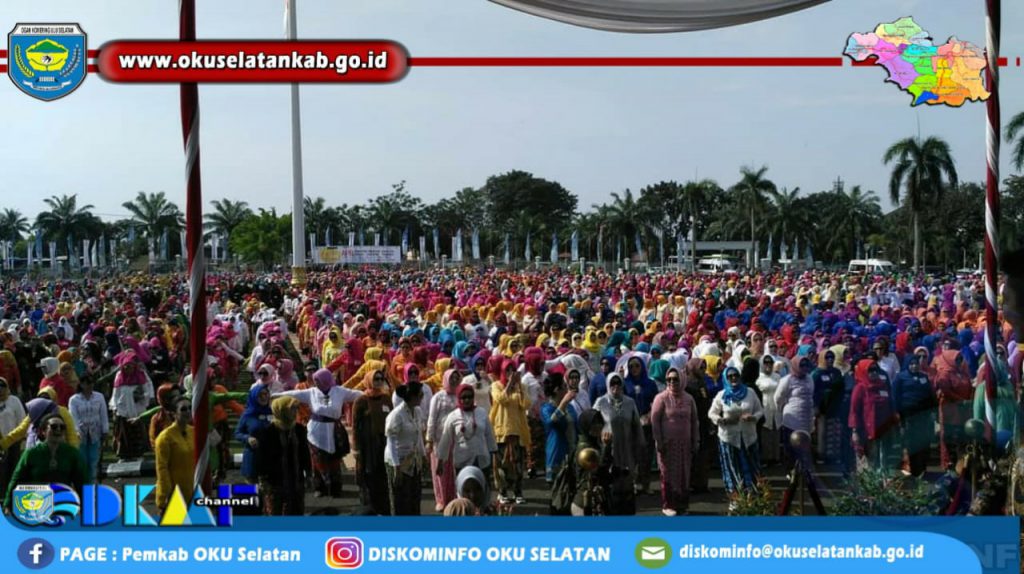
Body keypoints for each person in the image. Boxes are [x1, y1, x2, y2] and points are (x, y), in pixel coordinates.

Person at [275, 368, 362, 498]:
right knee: (317, 458)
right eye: (315, 380)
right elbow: (293, 394)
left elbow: (357, 394)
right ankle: (319, 487)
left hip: (334, 430)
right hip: (316, 431)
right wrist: (274, 395)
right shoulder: (312, 392)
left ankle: (335, 487)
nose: (316, 383)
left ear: (325, 380)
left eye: (318, 380)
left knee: (334, 459)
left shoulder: (339, 391)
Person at [4, 413, 88, 510]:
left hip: (62, 505)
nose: (58, 429)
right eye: (54, 426)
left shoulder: (72, 454)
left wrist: (87, 507)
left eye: (62, 427)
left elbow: (83, 482)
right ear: (43, 431)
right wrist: (8, 504)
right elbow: (16, 480)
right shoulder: (31, 453)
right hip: (36, 506)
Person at [708, 366, 763, 498]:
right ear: (725, 379)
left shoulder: (750, 392)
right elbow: (712, 413)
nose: (733, 378)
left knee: (751, 466)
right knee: (732, 468)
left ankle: (752, 495)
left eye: (736, 375)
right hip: (729, 438)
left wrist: (753, 417)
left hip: (748, 437)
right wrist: (722, 420)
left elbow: (760, 410)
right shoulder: (722, 395)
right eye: (730, 376)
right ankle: (736, 498)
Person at [650, 368, 699, 516]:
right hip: (667, 444)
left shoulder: (689, 399)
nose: (672, 382)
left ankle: (682, 505)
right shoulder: (661, 398)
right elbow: (655, 421)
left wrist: (695, 440)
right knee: (668, 474)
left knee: (684, 474)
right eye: (669, 379)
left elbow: (694, 421)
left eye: (675, 379)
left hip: (684, 445)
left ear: (682, 380)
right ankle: (668, 505)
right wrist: (659, 441)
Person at [592, 373, 642, 515]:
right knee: (610, 486)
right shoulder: (601, 402)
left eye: (618, 383)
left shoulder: (630, 402)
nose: (615, 386)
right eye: (612, 383)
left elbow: (637, 426)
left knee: (626, 486)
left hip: (626, 450)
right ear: (608, 385)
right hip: (608, 450)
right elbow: (592, 423)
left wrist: (640, 448)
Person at [436, 383, 498, 495]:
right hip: (462, 460)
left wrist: (495, 458)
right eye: (463, 397)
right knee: (464, 491)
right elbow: (445, 440)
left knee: (481, 490)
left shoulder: (481, 412)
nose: (467, 400)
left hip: (481, 459)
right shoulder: (453, 416)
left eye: (470, 397)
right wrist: (440, 462)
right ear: (458, 398)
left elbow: (490, 436)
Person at [253, 396, 310, 515]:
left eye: (296, 409)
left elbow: (304, 453)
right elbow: (261, 459)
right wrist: (263, 480)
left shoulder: (299, 429)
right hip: (275, 482)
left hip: (296, 481)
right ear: (282, 411)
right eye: (292, 409)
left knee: (296, 513)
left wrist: (308, 473)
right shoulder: (267, 432)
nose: (295, 412)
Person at [490, 359, 531, 505]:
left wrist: (518, 386)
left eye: (512, 370)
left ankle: (518, 491)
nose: (510, 373)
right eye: (507, 370)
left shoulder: (521, 387)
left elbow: (526, 404)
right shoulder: (496, 385)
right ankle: (502, 492)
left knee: (517, 464)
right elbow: (501, 399)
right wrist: (509, 385)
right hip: (502, 431)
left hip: (517, 430)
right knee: (502, 464)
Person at [352, 369, 393, 515]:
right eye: (376, 379)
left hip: (385, 442)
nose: (379, 381)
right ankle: (371, 510)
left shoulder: (386, 398)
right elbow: (355, 426)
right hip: (368, 445)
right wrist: (356, 448)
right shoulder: (361, 400)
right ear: (369, 380)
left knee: (384, 477)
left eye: (381, 379)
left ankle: (384, 509)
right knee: (370, 477)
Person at [849, 360, 900, 472]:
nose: (874, 373)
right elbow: (854, 411)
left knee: (884, 461)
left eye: (876, 370)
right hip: (867, 432)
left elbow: (890, 405)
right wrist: (855, 432)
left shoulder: (882, 385)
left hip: (884, 431)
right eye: (870, 370)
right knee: (869, 464)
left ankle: (882, 481)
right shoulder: (860, 388)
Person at [384, 380, 426, 515]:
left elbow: (418, 435)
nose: (422, 397)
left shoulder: (418, 411)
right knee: (400, 499)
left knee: (414, 496)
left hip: (413, 461)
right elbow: (391, 442)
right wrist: (396, 467)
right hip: (398, 461)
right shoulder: (396, 415)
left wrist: (423, 455)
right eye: (420, 395)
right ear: (412, 397)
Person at [892, 354, 937, 476]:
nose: (914, 366)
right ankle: (911, 470)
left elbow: (930, 395)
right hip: (908, 417)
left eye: (916, 363)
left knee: (923, 444)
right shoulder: (901, 378)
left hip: (923, 417)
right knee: (910, 444)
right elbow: (895, 398)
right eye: (911, 364)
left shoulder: (923, 377)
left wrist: (933, 412)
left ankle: (922, 470)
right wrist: (898, 416)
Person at [621, 356, 658, 495]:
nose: (634, 369)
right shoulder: (625, 383)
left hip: (646, 423)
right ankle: (634, 483)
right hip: (630, 424)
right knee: (632, 455)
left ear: (642, 366)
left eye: (637, 365)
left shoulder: (650, 383)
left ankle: (645, 484)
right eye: (631, 366)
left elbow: (656, 401)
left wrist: (649, 414)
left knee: (646, 454)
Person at [932, 348, 973, 469]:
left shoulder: (963, 372)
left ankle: (961, 464)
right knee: (949, 438)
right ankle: (948, 463)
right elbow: (946, 391)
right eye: (957, 359)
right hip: (949, 411)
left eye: (960, 359)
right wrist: (961, 400)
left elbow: (969, 386)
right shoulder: (944, 374)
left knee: (961, 438)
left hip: (963, 411)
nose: (959, 362)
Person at [108, 351, 154, 460]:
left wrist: (142, 396)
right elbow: (116, 393)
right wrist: (115, 407)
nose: (128, 368)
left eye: (130, 366)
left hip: (137, 408)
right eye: (126, 366)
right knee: (124, 433)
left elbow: (148, 389)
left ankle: (139, 454)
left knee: (138, 432)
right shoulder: (119, 376)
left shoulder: (141, 374)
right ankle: (124, 455)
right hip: (123, 409)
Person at [775, 354, 816, 473]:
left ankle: (805, 471)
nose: (804, 368)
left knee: (805, 447)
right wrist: (781, 408)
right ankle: (791, 471)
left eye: (806, 365)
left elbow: (811, 393)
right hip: (792, 419)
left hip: (807, 417)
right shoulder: (787, 380)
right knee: (791, 447)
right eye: (801, 365)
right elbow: (778, 398)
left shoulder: (809, 378)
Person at [570, 409, 614, 516]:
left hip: (598, 499)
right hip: (585, 503)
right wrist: (607, 448)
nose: (598, 426)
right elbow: (597, 471)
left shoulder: (594, 443)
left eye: (599, 422)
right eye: (593, 423)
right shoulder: (584, 449)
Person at [426, 369, 459, 511]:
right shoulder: (438, 397)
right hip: (440, 439)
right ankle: (441, 499)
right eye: (451, 378)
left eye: (456, 378)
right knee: (440, 470)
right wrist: (429, 439)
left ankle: (453, 498)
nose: (454, 381)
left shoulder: (460, 395)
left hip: (456, 439)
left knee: (453, 470)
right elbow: (432, 419)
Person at [154, 398, 194, 514]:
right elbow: (162, 468)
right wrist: (165, 494)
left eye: (190, 408)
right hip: (174, 494)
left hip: (193, 491)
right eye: (183, 409)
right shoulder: (165, 438)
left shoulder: (194, 432)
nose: (188, 411)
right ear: (174, 414)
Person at [540, 373, 578, 492]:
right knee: (558, 495)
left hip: (572, 452)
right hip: (557, 453)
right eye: (564, 386)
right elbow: (551, 422)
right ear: (557, 389)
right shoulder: (546, 408)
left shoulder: (570, 407)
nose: (567, 389)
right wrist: (563, 403)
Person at [68, 376, 108, 483]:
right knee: (83, 460)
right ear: (81, 384)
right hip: (81, 434)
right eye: (87, 383)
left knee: (93, 460)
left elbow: (103, 414)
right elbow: (73, 417)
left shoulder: (99, 397)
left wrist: (105, 430)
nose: (90, 386)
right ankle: (83, 483)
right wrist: (77, 431)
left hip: (95, 432)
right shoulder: (74, 400)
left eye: (91, 383)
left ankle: (92, 483)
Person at [234, 383, 273, 484]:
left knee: (270, 491)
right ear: (254, 397)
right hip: (253, 459)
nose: (264, 397)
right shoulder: (247, 415)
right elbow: (237, 433)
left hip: (271, 459)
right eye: (260, 395)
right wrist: (247, 438)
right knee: (253, 491)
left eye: (266, 394)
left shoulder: (273, 412)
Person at [812, 349, 845, 464]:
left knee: (835, 432)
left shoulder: (836, 372)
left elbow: (841, 388)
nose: (830, 360)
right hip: (822, 408)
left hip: (835, 407)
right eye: (827, 358)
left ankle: (833, 456)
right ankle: (821, 456)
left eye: (832, 357)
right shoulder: (816, 373)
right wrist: (815, 406)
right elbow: (813, 391)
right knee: (822, 433)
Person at [0, 378, 26, 496]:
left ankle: (14, 497)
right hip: (0, 444)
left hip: (14, 442)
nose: (0, 390)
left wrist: (23, 439)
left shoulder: (14, 400)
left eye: (3, 387)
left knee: (14, 472)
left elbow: (22, 420)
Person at [755, 355, 782, 464]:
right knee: (766, 433)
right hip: (765, 407)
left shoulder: (777, 376)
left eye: (770, 363)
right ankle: (766, 458)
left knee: (776, 433)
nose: (768, 365)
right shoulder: (758, 378)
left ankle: (776, 458)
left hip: (776, 407)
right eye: (766, 363)